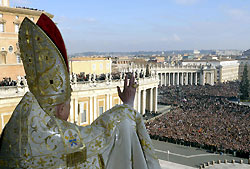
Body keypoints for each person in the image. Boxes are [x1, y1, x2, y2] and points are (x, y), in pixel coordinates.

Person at [0, 14, 161, 169]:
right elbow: (104, 134)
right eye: (69, 104)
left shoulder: (16, 130)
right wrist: (127, 105)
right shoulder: (58, 138)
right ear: (61, 109)